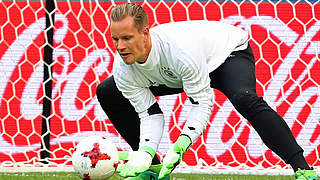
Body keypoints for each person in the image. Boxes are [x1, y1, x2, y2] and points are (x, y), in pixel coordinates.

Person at [96, 3, 318, 180]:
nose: (120, 46)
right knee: (108, 91)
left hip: (226, 54)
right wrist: (145, 152)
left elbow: (201, 103)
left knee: (244, 98)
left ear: (145, 33)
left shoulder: (179, 51)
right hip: (176, 73)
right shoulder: (123, 68)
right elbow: (150, 114)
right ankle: (151, 169)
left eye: (127, 38)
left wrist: (183, 143)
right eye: (116, 39)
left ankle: (303, 169)